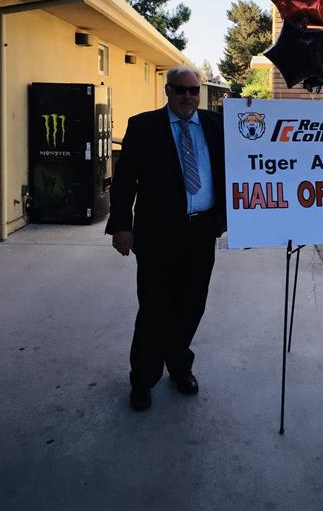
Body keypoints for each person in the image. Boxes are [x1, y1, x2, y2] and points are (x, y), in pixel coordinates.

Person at [106, 67, 226, 411]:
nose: (188, 96)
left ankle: (179, 366)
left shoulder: (215, 125)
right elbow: (125, 179)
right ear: (167, 91)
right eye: (181, 90)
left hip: (201, 232)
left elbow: (243, 161)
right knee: (155, 309)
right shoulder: (144, 127)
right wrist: (121, 225)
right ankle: (143, 380)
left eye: (194, 90)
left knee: (192, 306)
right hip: (157, 234)